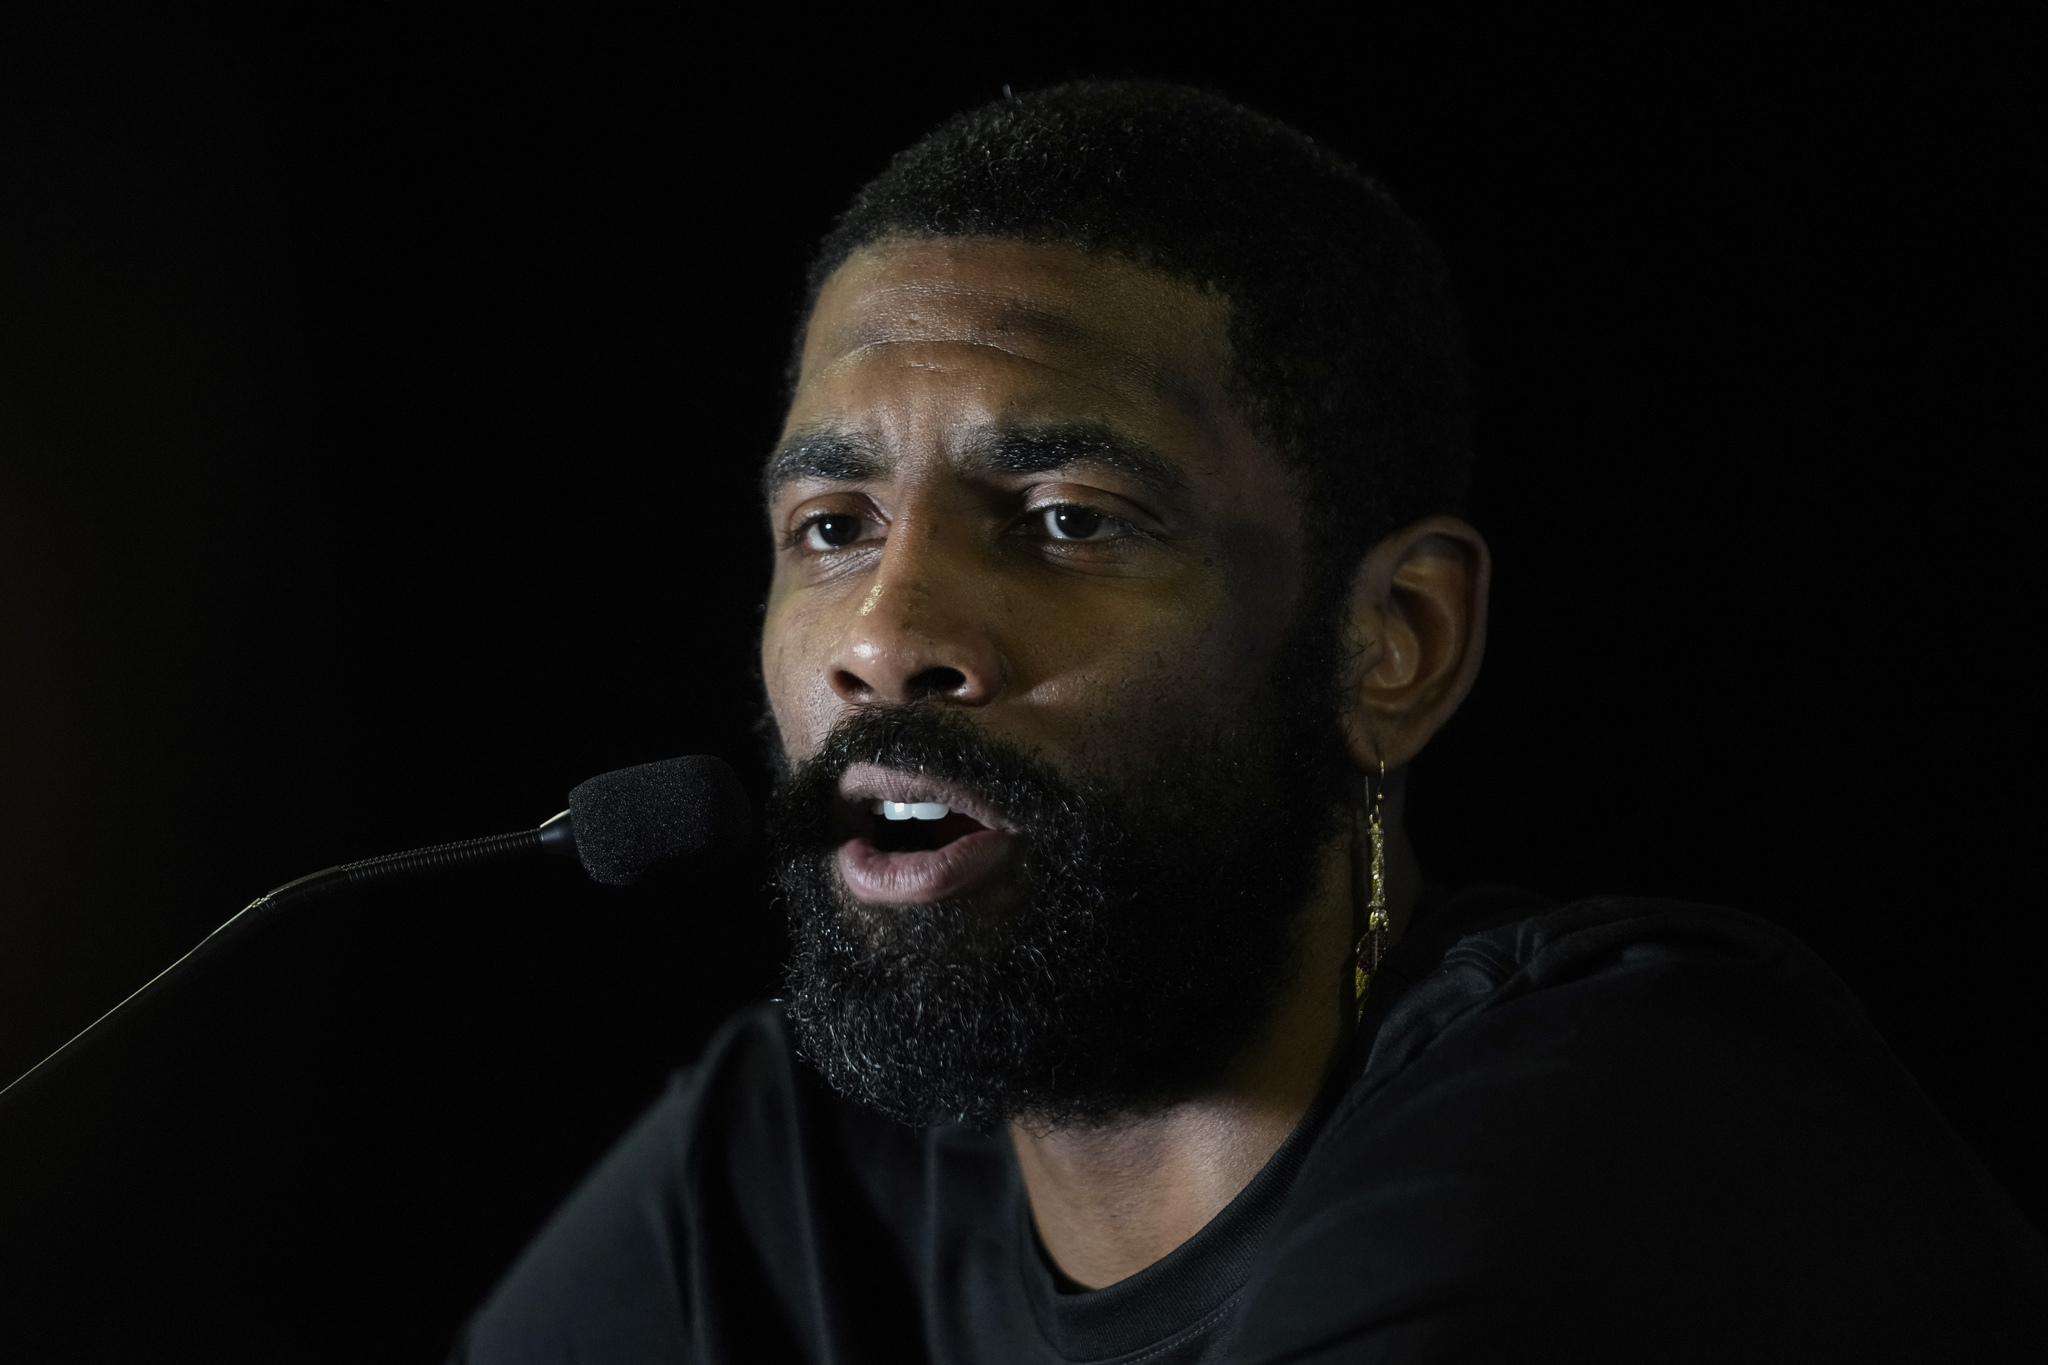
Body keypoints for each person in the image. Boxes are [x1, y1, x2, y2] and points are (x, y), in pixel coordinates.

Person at [453, 81, 2045, 1363]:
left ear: (1393, 645)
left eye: (1068, 518)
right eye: (834, 528)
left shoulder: (1630, 1128)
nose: (886, 636)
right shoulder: (780, 1172)